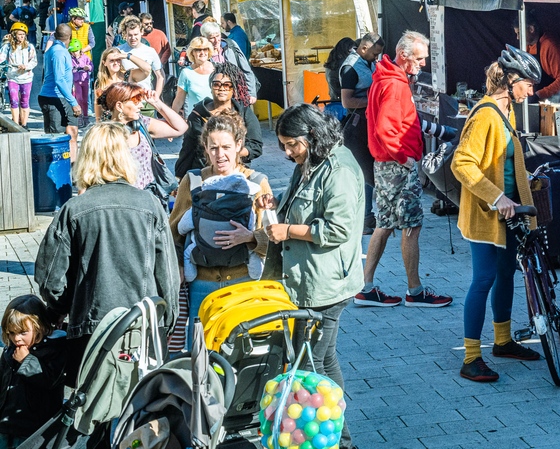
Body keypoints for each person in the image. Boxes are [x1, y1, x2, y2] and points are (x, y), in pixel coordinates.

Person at [35, 123, 178, 387]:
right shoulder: (151, 205)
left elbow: (49, 279)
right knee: (137, 412)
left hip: (90, 330)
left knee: (91, 411)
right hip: (141, 325)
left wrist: (62, 309)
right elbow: (168, 277)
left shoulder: (73, 209)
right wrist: (165, 323)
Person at [264, 104, 363, 449]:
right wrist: (272, 202)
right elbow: (299, 202)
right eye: (284, 146)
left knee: (313, 360)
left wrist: (287, 230)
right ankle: (338, 436)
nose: (288, 152)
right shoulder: (310, 161)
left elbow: (338, 228)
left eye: (292, 144)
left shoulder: (340, 169)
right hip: (309, 280)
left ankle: (336, 436)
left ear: (312, 135)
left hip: (327, 284)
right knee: (324, 356)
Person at [451, 47, 544, 383]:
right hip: (484, 213)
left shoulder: (506, 110)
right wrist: (497, 196)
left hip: (506, 213)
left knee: (505, 274)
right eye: (529, 85)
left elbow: (504, 160)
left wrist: (520, 186)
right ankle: (470, 357)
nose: (531, 91)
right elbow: (461, 163)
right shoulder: (486, 114)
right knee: (484, 279)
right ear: (511, 81)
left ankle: (503, 341)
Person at [357, 31, 453, 309]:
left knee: (385, 223)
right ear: (404, 57)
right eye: (420, 59)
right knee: (411, 226)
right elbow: (386, 129)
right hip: (396, 164)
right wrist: (404, 158)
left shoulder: (385, 78)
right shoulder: (395, 84)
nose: (423, 64)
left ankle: (367, 287)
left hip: (385, 163)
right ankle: (415, 290)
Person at [170, 112, 273, 343]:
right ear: (205, 148)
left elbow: (273, 238)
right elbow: (173, 232)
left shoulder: (257, 183)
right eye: (213, 147)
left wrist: (250, 237)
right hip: (202, 284)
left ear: (239, 146)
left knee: (241, 353)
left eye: (226, 147)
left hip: (243, 281)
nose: (220, 154)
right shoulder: (193, 181)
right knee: (200, 355)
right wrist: (178, 267)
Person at [174, 62, 263, 178]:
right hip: (204, 174)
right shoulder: (197, 114)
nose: (222, 89)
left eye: (227, 85)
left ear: (233, 89)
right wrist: (180, 177)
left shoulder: (243, 112)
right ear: (211, 88)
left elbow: (255, 146)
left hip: (236, 172)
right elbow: (188, 150)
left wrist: (229, 154)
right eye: (217, 85)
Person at [0, 295, 67, 447]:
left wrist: (26, 361)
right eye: (11, 333)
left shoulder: (53, 349)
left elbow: (51, 380)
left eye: (23, 333)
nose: (16, 339)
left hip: (33, 427)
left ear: (40, 327)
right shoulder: (10, 349)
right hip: (5, 423)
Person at [100, 82, 187, 193]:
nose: (141, 105)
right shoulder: (102, 136)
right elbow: (90, 173)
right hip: (120, 199)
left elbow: (180, 128)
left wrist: (157, 103)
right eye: (136, 100)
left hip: (149, 197)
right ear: (119, 106)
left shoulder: (142, 123)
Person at [340, 33, 384, 234]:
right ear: (364, 48)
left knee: (372, 169)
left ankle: (369, 215)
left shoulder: (368, 61)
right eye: (374, 54)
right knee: (366, 173)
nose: (376, 58)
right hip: (358, 124)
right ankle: (365, 217)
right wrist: (375, 101)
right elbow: (347, 102)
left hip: (372, 121)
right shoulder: (350, 67)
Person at [38, 25, 81, 161]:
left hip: (63, 97)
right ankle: (55, 171)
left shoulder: (58, 50)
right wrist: (73, 102)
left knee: (72, 131)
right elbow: (59, 79)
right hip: (53, 96)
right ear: (70, 37)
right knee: (55, 138)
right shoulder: (58, 52)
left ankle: (73, 167)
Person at [512, 11, 560, 102]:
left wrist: (539, 94)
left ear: (531, 29)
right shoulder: (526, 47)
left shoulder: (550, 46)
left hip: (553, 101)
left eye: (519, 33)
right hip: (533, 97)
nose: (518, 38)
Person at [203, 21, 258, 105]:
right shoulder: (202, 54)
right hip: (215, 100)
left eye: (218, 36)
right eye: (211, 38)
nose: (216, 40)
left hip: (237, 97)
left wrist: (251, 94)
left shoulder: (231, 45)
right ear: (204, 38)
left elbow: (246, 70)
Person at [0, 23, 36, 127]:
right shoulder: (8, 47)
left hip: (26, 77)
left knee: (25, 101)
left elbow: (34, 61)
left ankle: (24, 124)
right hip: (13, 77)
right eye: (19, 34)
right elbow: (1, 57)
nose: (21, 37)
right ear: (14, 34)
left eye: (23, 35)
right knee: (14, 100)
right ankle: (15, 124)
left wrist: (26, 66)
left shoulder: (29, 47)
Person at [118, 16, 164, 95]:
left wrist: (157, 95)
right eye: (130, 35)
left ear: (142, 32)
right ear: (125, 34)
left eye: (136, 34)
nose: (133, 38)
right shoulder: (119, 51)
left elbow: (160, 76)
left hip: (145, 98)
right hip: (125, 98)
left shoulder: (150, 51)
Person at [171, 37, 216, 116]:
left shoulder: (217, 69)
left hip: (216, 119)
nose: (202, 52)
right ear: (192, 52)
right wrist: (172, 119)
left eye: (205, 49)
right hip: (195, 120)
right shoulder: (186, 73)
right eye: (198, 50)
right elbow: (179, 100)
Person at [69, 38, 92, 128]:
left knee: (85, 100)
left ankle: (86, 117)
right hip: (76, 81)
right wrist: (74, 69)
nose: (75, 53)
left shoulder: (85, 57)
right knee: (79, 99)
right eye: (73, 51)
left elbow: (91, 66)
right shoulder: (70, 59)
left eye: (76, 51)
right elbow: (70, 68)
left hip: (85, 80)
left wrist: (88, 67)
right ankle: (79, 117)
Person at [325, 37, 355, 102]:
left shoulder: (332, 63)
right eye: (352, 50)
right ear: (348, 50)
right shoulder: (344, 64)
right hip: (342, 101)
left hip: (334, 99)